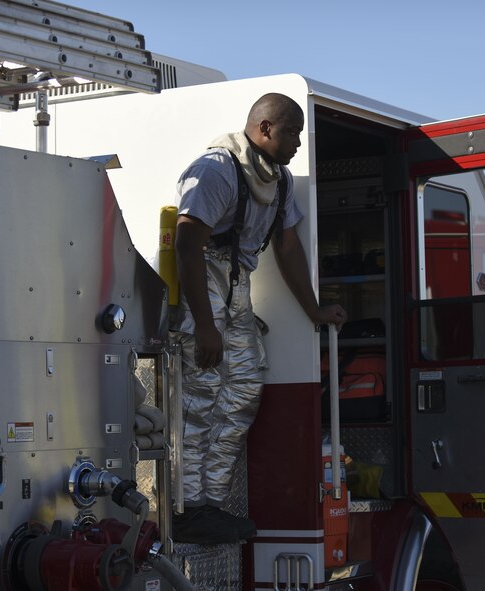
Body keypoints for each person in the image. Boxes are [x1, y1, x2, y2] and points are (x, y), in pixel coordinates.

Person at [171, 93, 347, 545]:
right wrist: (205, 324)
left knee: (244, 389)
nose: (297, 142)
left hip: (236, 285)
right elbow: (187, 245)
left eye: (300, 133)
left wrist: (312, 310)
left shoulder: (279, 180)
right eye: (291, 132)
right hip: (204, 279)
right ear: (264, 129)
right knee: (200, 394)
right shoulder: (215, 169)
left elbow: (287, 247)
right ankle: (185, 507)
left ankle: (208, 504)